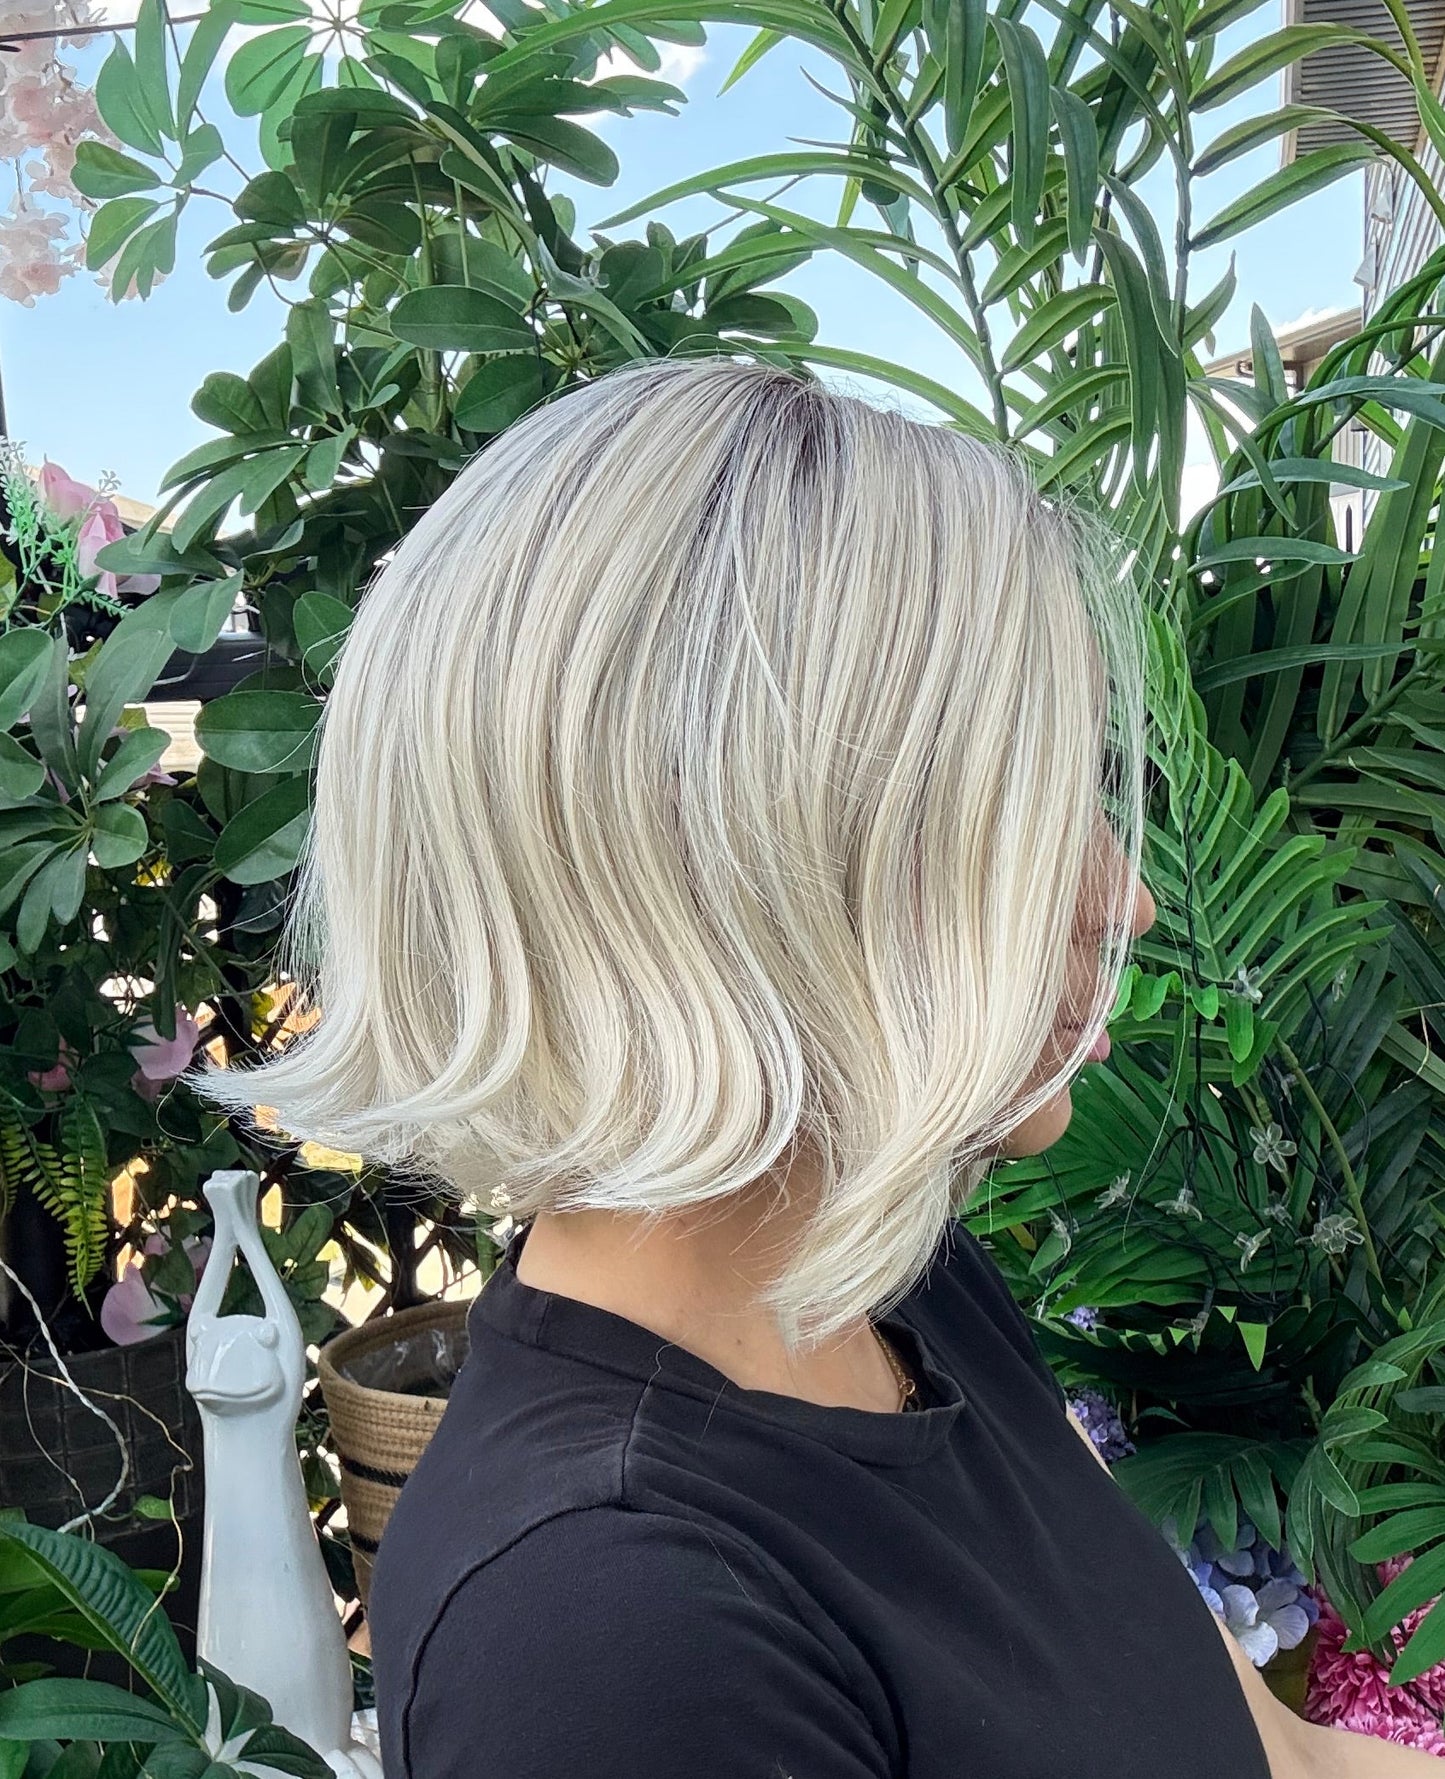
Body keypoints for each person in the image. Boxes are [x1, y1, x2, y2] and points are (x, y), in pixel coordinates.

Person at [195, 356, 1433, 1777]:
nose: (1125, 896)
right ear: (759, 871)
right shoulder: (618, 1639)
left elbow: (1277, 1757)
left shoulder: (884, 1293)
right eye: (1027, 809)